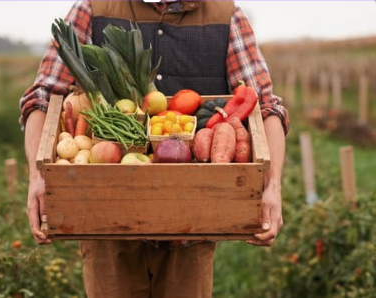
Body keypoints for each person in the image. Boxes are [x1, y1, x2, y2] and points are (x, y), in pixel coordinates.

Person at [20, 1, 289, 297]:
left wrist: (272, 186)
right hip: (109, 225)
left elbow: (265, 108)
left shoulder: (225, 16)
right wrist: (37, 176)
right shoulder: (92, 9)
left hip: (192, 226)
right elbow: (43, 97)